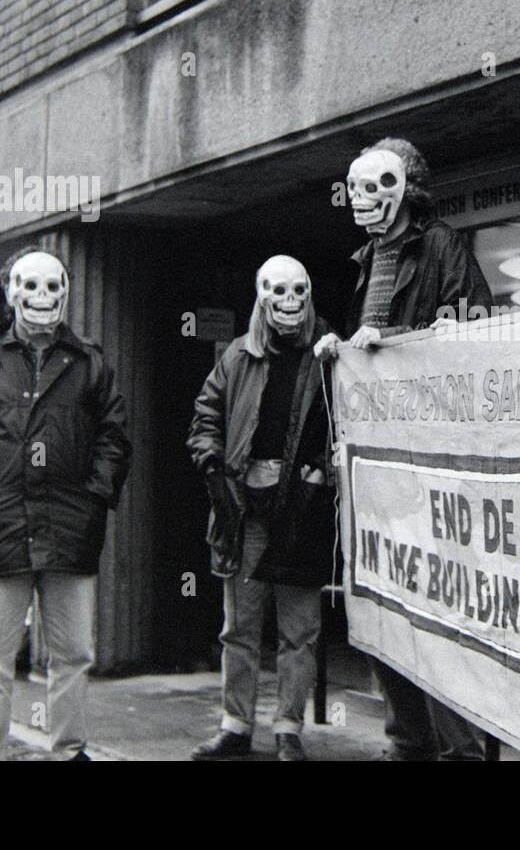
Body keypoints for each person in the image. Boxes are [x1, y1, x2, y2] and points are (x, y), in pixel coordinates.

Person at [315, 137, 492, 760]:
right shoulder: (364, 262)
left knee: (440, 610)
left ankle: (460, 751)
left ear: (408, 189)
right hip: (381, 470)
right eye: (355, 188)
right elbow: (370, 349)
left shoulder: (441, 244)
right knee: (388, 605)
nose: (364, 200)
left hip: (433, 460)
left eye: (379, 186)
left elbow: (468, 325)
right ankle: (408, 741)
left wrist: (389, 339)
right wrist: (342, 349)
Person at [0, 247, 131, 761]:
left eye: (54, 286)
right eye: (30, 286)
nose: (43, 298)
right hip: (1, 530)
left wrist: (94, 497)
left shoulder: (90, 362)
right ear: (10, 292)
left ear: (66, 293)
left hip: (69, 529)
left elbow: (114, 436)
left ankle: (69, 751)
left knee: (74, 655)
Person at [187, 256, 336, 762]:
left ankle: (289, 727)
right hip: (244, 510)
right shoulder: (237, 356)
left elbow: (349, 420)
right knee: (240, 627)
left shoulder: (327, 355)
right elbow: (205, 415)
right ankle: (235, 725)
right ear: (261, 296)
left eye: (299, 290)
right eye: (278, 291)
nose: (289, 302)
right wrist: (212, 462)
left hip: (302, 509)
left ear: (309, 292)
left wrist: (323, 469)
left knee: (300, 631)